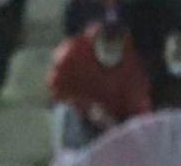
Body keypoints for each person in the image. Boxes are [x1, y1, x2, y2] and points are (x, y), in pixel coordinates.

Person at [47, 19, 153, 156]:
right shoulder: (71, 52)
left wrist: (124, 127)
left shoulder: (131, 62)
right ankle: (70, 164)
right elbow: (58, 91)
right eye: (105, 45)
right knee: (64, 112)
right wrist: (88, 108)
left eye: (115, 45)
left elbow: (139, 103)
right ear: (95, 42)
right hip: (81, 122)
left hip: (115, 127)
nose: (110, 50)